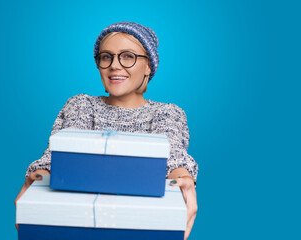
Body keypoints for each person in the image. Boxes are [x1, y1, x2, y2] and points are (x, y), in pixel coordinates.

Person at [15, 21, 198, 240]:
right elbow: (58, 156)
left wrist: (183, 178)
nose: (114, 65)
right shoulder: (81, 104)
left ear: (149, 65)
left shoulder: (167, 112)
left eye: (128, 56)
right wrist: (38, 186)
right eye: (106, 57)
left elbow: (173, 157)